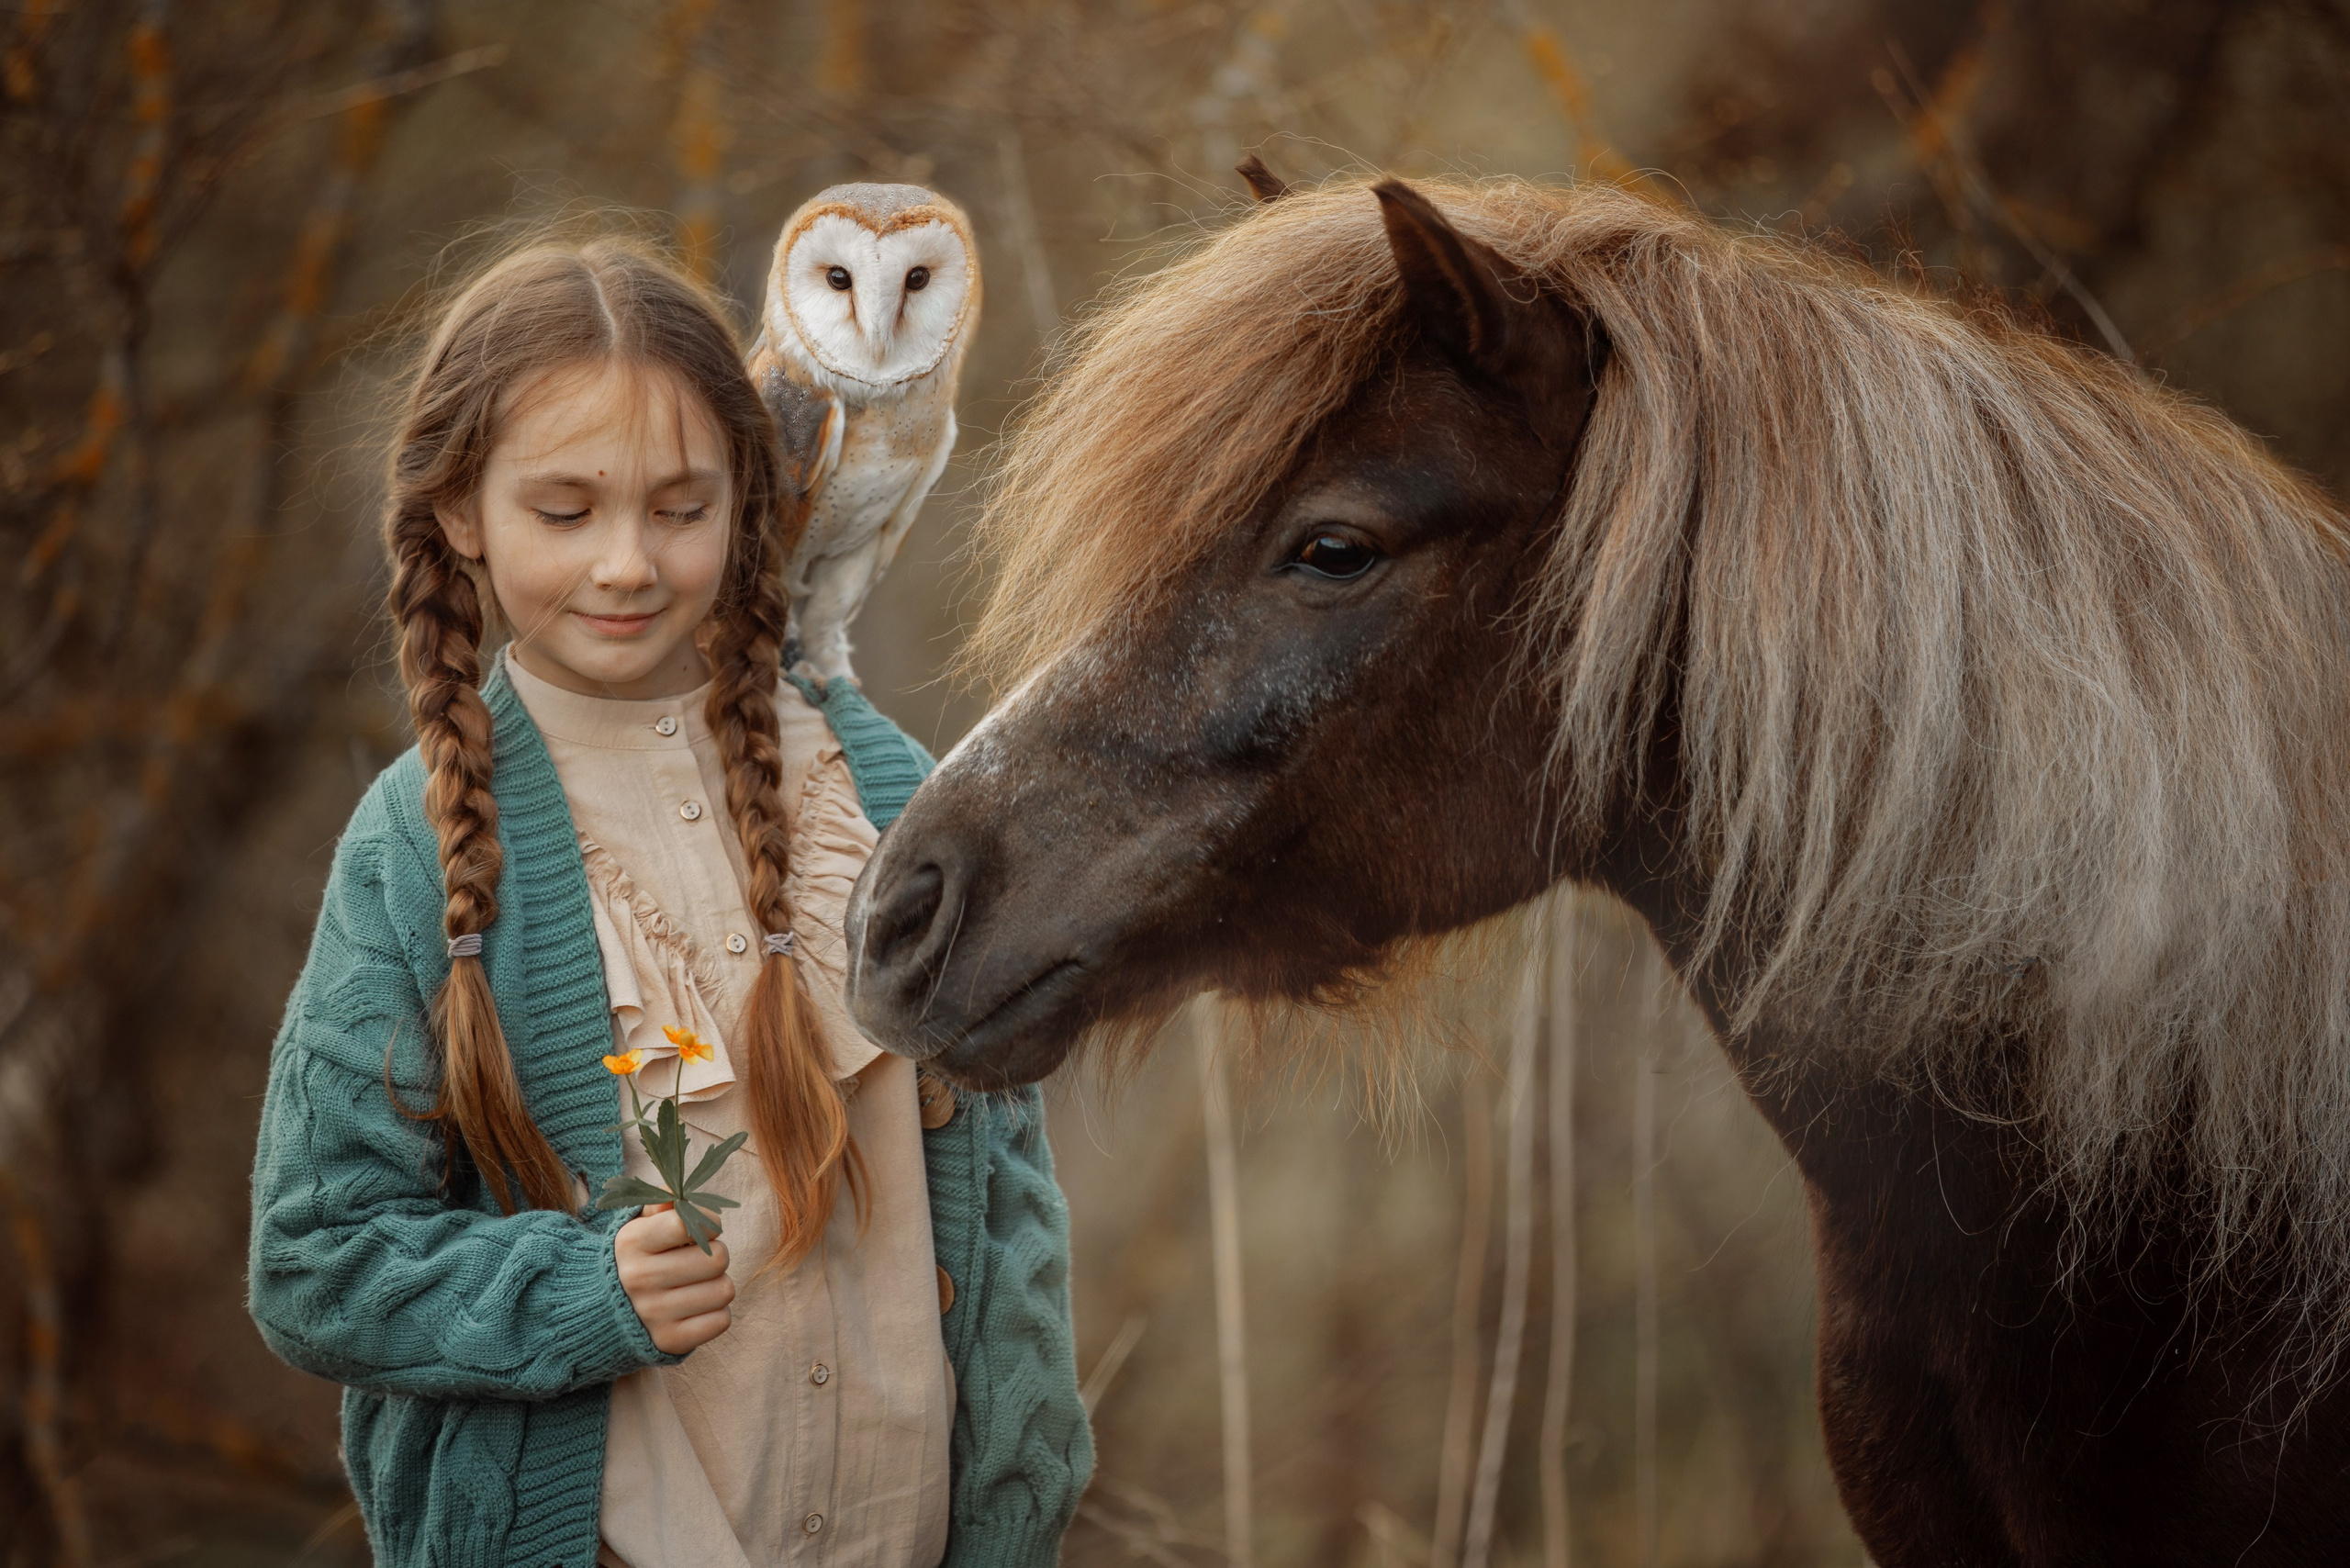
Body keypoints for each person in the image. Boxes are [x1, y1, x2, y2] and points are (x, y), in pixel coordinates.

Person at [246, 236, 1090, 1568]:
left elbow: (1012, 1216)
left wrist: (1016, 1518)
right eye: (565, 512)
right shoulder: (420, 848)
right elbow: (315, 1262)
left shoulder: (890, 796)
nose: (629, 563)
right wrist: (580, 1296)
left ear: (747, 501)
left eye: (681, 509)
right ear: (461, 511)